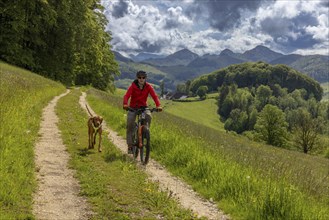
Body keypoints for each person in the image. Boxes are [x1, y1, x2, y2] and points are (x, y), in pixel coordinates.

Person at [123, 70, 162, 153]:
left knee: (148, 116)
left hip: (143, 107)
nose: (141, 79)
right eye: (139, 77)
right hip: (133, 107)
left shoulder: (148, 87)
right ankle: (130, 146)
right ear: (137, 78)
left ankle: (144, 132)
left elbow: (155, 96)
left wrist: (158, 105)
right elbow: (127, 96)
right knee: (130, 124)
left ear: (145, 78)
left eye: (143, 77)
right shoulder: (133, 86)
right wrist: (125, 104)